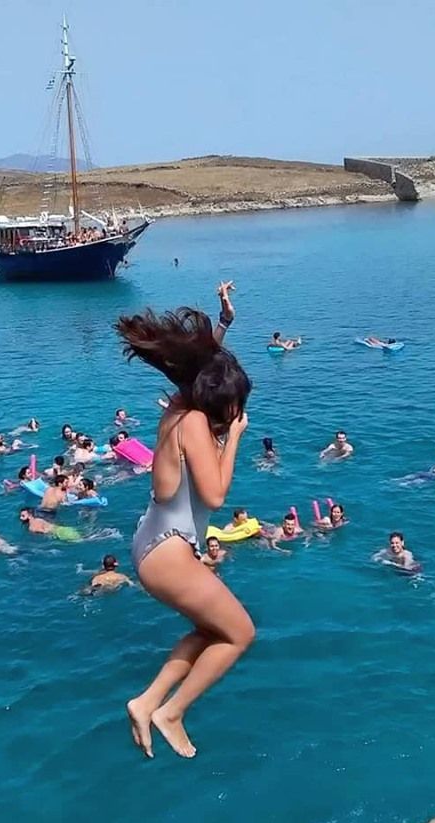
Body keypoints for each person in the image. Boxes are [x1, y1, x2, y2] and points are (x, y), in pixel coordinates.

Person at [123, 280, 253, 759]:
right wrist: (234, 436)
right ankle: (172, 712)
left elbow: (205, 368)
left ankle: (148, 702)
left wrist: (223, 324)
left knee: (212, 632)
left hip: (153, 543)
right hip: (169, 552)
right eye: (237, 406)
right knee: (240, 634)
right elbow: (216, 496)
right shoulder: (198, 423)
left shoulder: (181, 407)